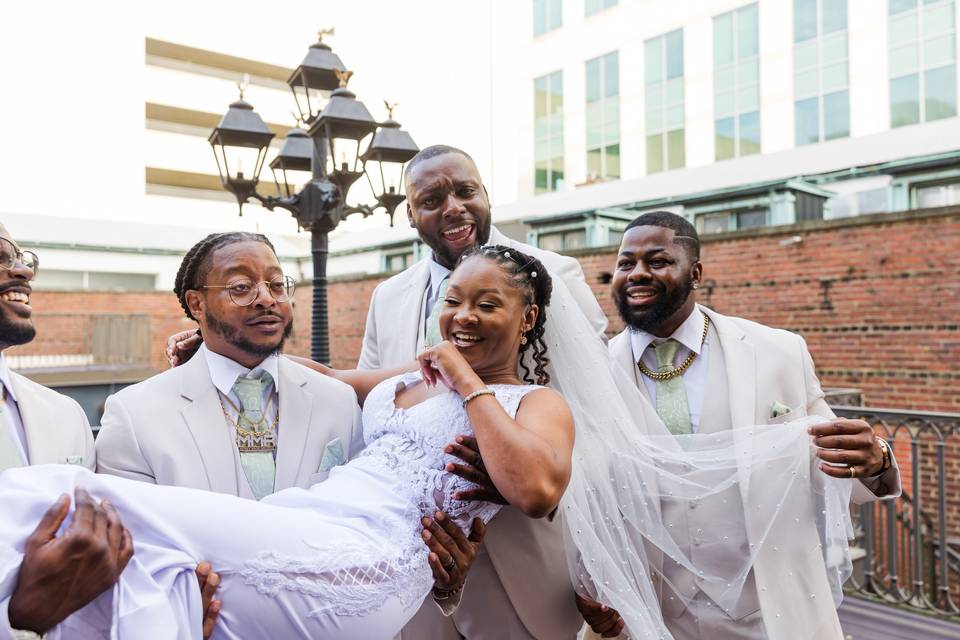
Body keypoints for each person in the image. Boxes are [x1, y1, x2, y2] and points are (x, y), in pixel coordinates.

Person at [0, 246, 575, 640]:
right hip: (310, 526)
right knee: (153, 581)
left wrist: (469, 380)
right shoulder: (408, 378)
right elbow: (315, 375)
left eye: (487, 304)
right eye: (452, 300)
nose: (463, 317)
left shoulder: (534, 404)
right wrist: (205, 347)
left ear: (526, 319)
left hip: (366, 557)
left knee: (64, 492)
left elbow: (536, 489)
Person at [579, 211, 901, 639]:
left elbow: (837, 463)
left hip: (770, 611)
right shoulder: (591, 375)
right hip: (649, 616)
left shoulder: (779, 352)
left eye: (657, 261)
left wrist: (875, 461)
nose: (637, 273)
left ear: (695, 273)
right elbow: (580, 496)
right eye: (625, 263)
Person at [358, 144, 605, 640]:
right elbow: (366, 393)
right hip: (413, 568)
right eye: (431, 199)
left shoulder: (554, 274)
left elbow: (603, 414)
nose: (453, 208)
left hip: (528, 560)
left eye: (466, 191)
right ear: (410, 214)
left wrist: (527, 484)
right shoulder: (388, 295)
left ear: (486, 194)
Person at [96, 232, 365, 500]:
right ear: (197, 304)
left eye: (277, 284)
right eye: (240, 287)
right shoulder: (133, 416)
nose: (266, 298)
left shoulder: (339, 402)